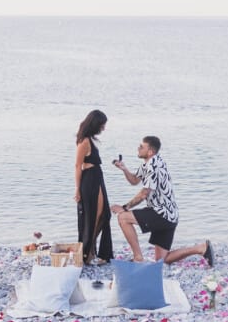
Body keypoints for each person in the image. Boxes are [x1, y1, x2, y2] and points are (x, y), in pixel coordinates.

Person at [111, 135, 214, 266]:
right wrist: (124, 169)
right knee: (162, 260)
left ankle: (138, 257)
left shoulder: (153, 166)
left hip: (161, 213)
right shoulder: (149, 163)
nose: (138, 148)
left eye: (141, 146)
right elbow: (134, 180)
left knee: (123, 218)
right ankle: (201, 248)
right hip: (169, 215)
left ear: (150, 152)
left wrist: (125, 207)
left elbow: (144, 193)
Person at [74, 109, 114, 265]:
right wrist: (77, 190)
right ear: (95, 124)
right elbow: (78, 166)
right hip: (90, 180)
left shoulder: (90, 139)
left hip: (97, 178)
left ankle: (96, 253)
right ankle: (87, 254)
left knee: (104, 215)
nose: (103, 128)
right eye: (102, 125)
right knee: (93, 217)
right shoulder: (84, 142)